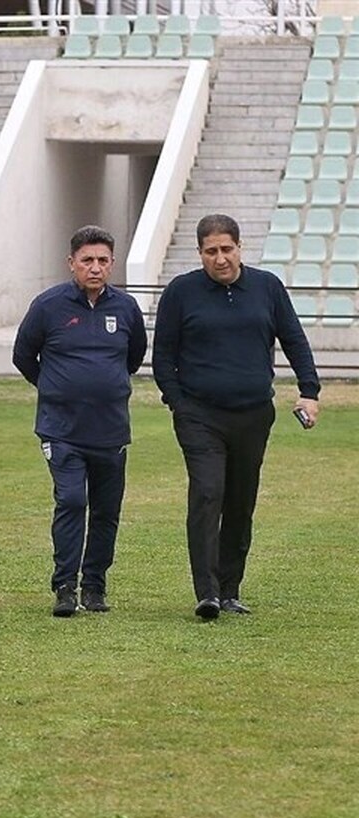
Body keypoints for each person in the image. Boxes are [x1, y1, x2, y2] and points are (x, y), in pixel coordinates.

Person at [153, 214, 321, 620]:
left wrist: (309, 391)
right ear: (200, 254)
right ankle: (207, 592)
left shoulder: (267, 288)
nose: (220, 258)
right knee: (208, 493)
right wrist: (179, 402)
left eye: (227, 249)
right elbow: (163, 355)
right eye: (211, 251)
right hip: (200, 416)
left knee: (240, 501)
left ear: (240, 248)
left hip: (252, 415)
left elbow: (294, 339)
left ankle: (230, 589)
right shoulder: (181, 292)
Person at [12, 226, 147, 617]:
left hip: (110, 429)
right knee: (72, 500)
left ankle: (94, 586)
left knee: (106, 510)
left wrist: (106, 385)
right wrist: (55, 387)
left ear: (112, 264)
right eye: (87, 260)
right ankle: (64, 586)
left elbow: (133, 356)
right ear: (71, 262)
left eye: (103, 260)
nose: (95, 267)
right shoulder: (48, 306)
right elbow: (24, 356)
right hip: (61, 429)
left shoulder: (125, 308)